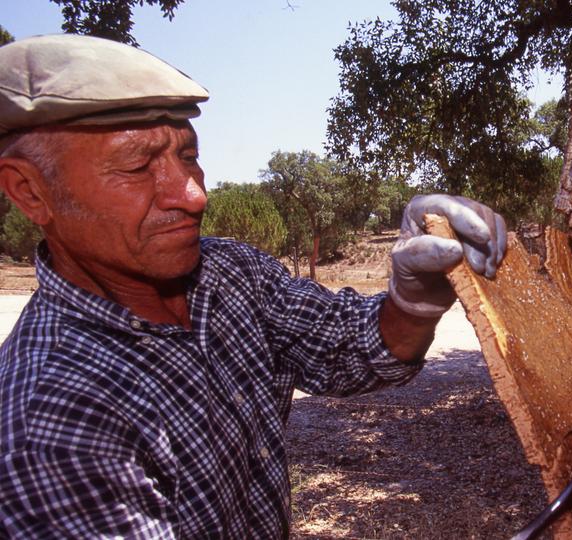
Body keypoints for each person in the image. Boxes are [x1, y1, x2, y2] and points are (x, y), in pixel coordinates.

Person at [0, 34, 506, 538]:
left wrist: (412, 299)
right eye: (137, 166)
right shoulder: (51, 420)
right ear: (29, 191)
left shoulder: (229, 271)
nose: (194, 196)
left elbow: (345, 347)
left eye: (189, 157)